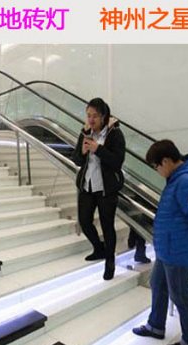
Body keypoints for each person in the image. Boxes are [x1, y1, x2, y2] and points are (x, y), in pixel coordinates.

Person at [132, 140, 188, 345]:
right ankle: (156, 326)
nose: (157, 171)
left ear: (166, 161)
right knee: (157, 284)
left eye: (156, 166)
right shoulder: (177, 179)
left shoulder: (186, 182)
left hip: (180, 250)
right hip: (168, 248)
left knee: (181, 296)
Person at [71, 98, 125, 280]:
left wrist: (98, 149)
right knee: (84, 221)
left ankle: (110, 262)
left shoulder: (115, 134)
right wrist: (82, 152)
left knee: (107, 226)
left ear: (103, 116)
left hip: (106, 188)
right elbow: (77, 160)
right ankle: (99, 248)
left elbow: (117, 161)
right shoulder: (85, 132)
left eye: (95, 116)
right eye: (88, 115)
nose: (91, 119)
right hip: (87, 186)